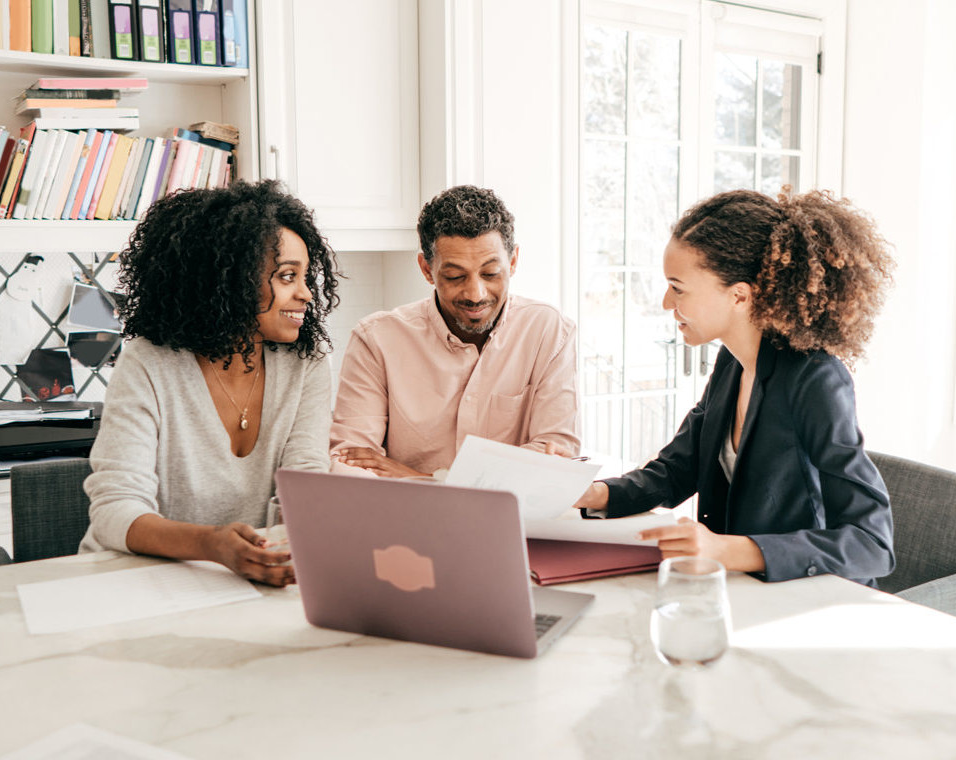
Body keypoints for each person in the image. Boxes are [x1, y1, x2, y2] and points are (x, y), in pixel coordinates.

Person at [574, 188, 895, 585]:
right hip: (739, 591)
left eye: (678, 287)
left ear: (739, 295)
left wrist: (727, 550)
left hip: (805, 598)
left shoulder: (815, 380)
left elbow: (872, 544)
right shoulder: (732, 361)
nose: (664, 303)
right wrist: (592, 494)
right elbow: (678, 470)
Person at [79, 180, 340, 587]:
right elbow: (115, 510)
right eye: (287, 276)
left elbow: (305, 486)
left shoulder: (306, 364)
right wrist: (211, 545)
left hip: (246, 580)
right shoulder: (149, 363)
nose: (306, 293)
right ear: (230, 279)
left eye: (306, 277)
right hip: (137, 582)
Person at [330, 184, 579, 478]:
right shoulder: (376, 340)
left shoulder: (550, 332)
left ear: (512, 262)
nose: (475, 293)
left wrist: (421, 479)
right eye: (455, 276)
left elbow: (556, 457)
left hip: (511, 521)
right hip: (404, 521)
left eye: (490, 273)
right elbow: (351, 464)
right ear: (426, 269)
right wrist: (507, 471)